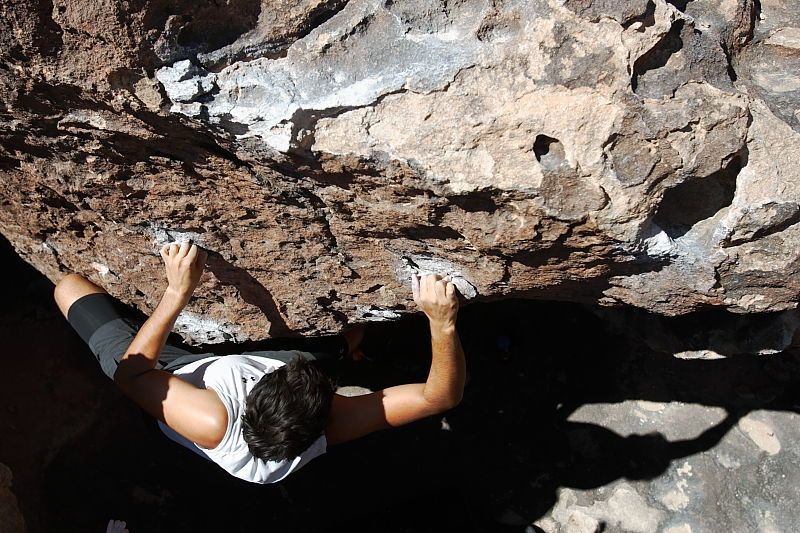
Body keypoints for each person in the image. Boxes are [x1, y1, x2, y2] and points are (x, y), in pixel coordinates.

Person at [53, 242, 465, 483]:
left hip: (173, 373)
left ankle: (341, 351)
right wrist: (442, 323)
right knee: (333, 347)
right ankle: (345, 349)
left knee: (68, 289)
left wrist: (177, 293)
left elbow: (132, 373)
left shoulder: (209, 419)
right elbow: (439, 399)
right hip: (224, 379)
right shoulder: (333, 422)